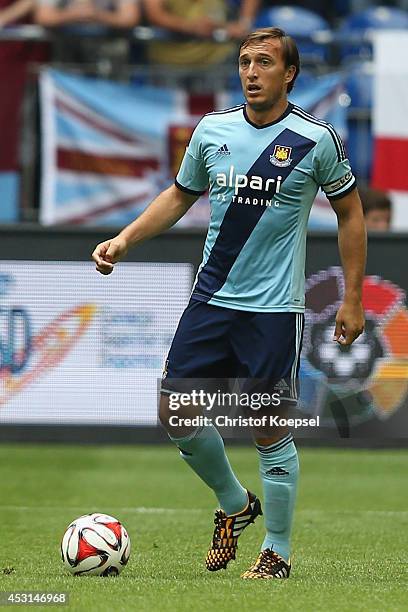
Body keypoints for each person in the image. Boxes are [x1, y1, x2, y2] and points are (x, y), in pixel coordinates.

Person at [92, 27, 366, 579]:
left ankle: (277, 553)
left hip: (274, 309)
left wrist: (352, 298)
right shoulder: (212, 131)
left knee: (268, 427)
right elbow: (178, 195)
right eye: (244, 61)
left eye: (264, 62)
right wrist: (124, 240)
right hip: (211, 300)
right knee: (175, 411)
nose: (251, 71)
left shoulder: (316, 140)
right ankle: (236, 503)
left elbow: (351, 213)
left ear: (289, 74)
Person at [144, 0, 260, 65]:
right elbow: (155, 15)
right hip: (170, 62)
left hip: (217, 59)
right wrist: (190, 27)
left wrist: (243, 24)